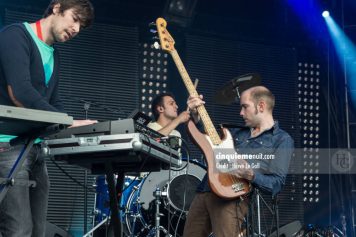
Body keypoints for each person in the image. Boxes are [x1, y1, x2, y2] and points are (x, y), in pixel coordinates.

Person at [0, 0, 95, 236]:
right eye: (75, 19)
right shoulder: (16, 36)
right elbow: (20, 92)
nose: (76, 29)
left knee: (37, 232)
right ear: (56, 8)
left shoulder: (54, 55)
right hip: (7, 147)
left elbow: (54, 102)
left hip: (35, 150)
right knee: (18, 230)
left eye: (81, 26)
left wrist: (76, 124)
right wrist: (66, 121)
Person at [183, 86, 294, 237]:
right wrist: (196, 116)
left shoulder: (282, 140)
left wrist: (251, 175)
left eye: (245, 107)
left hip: (231, 198)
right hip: (205, 190)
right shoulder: (235, 132)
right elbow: (207, 139)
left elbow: (277, 183)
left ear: (261, 106)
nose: (240, 113)